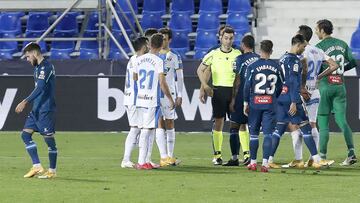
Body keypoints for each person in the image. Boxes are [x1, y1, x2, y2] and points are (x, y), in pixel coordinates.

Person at [282, 25, 338, 169]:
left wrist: (301, 86)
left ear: (301, 36)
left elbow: (304, 67)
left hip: (302, 91)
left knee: (295, 125)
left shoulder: (301, 52)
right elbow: (334, 65)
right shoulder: (318, 50)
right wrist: (319, 76)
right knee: (312, 124)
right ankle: (313, 158)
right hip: (315, 90)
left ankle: (298, 159)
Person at [268, 34, 324, 169]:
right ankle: (316, 159)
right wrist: (294, 101)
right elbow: (293, 82)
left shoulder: (282, 58)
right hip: (291, 98)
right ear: (297, 45)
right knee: (306, 128)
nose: (304, 50)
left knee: (279, 129)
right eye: (303, 47)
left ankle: (269, 160)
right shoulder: (293, 61)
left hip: (281, 98)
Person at [315, 19, 358, 166]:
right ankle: (351, 153)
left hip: (325, 86)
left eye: (316, 29)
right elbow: (353, 61)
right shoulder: (342, 44)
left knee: (323, 121)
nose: (315, 32)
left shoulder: (319, 47)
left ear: (322, 30)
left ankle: (322, 157)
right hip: (340, 85)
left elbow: (316, 68)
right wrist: (341, 71)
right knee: (342, 121)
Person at [197, 26, 242, 165]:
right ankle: (217, 155)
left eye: (231, 38)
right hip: (219, 91)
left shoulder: (238, 54)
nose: (228, 41)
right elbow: (201, 69)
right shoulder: (213, 53)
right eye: (226, 38)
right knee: (219, 122)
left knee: (238, 124)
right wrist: (204, 86)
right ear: (220, 38)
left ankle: (241, 155)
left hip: (234, 92)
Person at [15, 42, 57, 179]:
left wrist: (24, 101)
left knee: (49, 140)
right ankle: (37, 166)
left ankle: (52, 171)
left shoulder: (46, 67)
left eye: (28, 57)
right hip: (36, 109)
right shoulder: (37, 68)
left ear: (34, 53)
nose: (27, 60)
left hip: (45, 109)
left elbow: (39, 88)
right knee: (25, 135)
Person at [133, 33, 175, 170]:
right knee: (148, 129)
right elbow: (162, 83)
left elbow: (135, 77)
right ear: (162, 45)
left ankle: (146, 160)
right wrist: (170, 98)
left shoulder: (138, 59)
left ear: (149, 45)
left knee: (147, 129)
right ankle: (141, 161)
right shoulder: (158, 61)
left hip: (140, 99)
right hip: (152, 100)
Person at [243, 40, 284, 172]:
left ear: (260, 50)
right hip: (270, 104)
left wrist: (245, 103)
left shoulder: (253, 66)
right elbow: (280, 86)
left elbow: (247, 86)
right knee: (268, 134)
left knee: (254, 135)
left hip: (255, 103)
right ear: (271, 51)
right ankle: (265, 164)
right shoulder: (277, 66)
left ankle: (253, 163)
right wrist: (273, 97)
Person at [223, 35, 259, 166]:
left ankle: (234, 158)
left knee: (234, 127)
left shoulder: (239, 59)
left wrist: (233, 99)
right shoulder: (259, 58)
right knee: (253, 129)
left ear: (243, 45)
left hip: (242, 96)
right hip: (256, 97)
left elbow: (237, 80)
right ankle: (252, 158)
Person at [154, 28, 184, 167]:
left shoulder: (174, 56)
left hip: (169, 94)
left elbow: (180, 77)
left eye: (165, 39)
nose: (163, 41)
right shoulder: (154, 55)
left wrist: (180, 95)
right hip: (155, 94)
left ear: (170, 40)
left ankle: (170, 156)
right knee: (159, 123)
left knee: (170, 123)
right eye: (161, 38)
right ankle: (163, 157)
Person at [121, 37, 149, 168]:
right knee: (135, 129)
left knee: (137, 129)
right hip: (134, 99)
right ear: (144, 47)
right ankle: (126, 159)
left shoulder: (132, 59)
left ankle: (138, 158)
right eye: (147, 45)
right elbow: (136, 80)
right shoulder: (139, 61)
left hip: (129, 97)